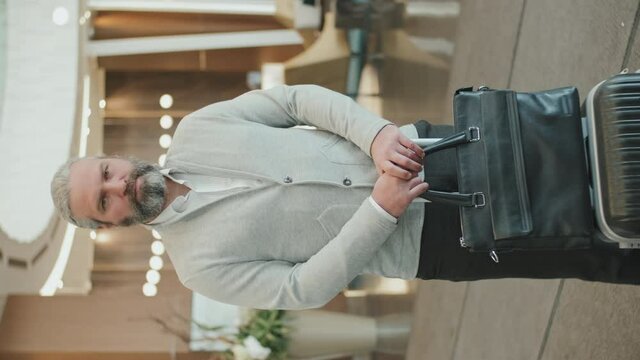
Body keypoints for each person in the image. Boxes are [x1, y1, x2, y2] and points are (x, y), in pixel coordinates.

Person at [51, 85, 639, 310]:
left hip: (427, 148)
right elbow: (299, 289)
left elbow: (295, 102)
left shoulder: (197, 129)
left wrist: (376, 135)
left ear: (117, 156)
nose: (117, 185)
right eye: (103, 200)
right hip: (433, 244)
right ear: (109, 224)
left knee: (570, 138)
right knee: (582, 248)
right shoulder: (197, 269)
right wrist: (381, 210)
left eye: (106, 171)